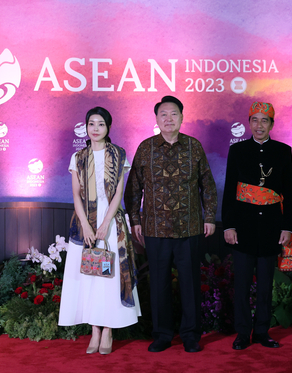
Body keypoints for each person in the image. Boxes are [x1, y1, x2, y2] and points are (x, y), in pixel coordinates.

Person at [124, 96, 217, 353]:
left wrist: (209, 217)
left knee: (189, 284)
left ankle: (190, 335)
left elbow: (207, 186)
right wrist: (135, 221)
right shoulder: (146, 148)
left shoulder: (193, 147)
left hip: (190, 228)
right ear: (156, 119)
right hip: (155, 229)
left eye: (173, 114)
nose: (168, 119)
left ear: (182, 117)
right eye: (163, 114)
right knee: (159, 286)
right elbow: (133, 189)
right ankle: (162, 334)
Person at [58, 107, 141, 355]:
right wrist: (86, 225)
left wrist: (105, 224)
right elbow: (75, 195)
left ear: (108, 128)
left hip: (111, 224)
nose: (95, 128)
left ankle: (109, 330)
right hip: (84, 224)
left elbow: (118, 193)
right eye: (91, 124)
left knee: (110, 278)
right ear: (86, 127)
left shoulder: (118, 155)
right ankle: (94, 329)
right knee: (90, 278)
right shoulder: (78, 157)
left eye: (101, 124)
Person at [222, 102, 292, 350]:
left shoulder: (283, 151)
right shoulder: (238, 150)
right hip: (242, 226)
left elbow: (289, 193)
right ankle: (243, 333)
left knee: (265, 285)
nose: (259, 124)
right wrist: (228, 225)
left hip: (272, 228)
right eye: (255, 119)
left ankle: (262, 331)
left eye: (265, 120)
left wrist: (287, 227)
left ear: (272, 124)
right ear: (249, 123)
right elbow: (230, 188)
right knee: (241, 285)